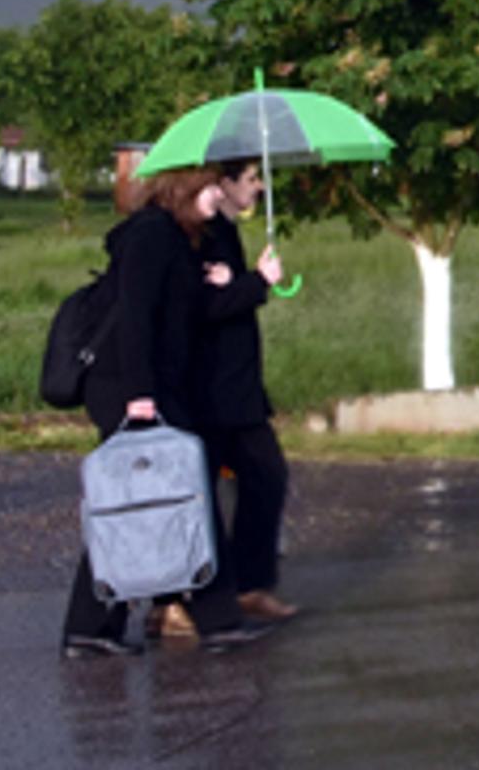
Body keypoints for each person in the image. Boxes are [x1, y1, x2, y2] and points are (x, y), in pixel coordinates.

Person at [61, 167, 264, 657]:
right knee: (180, 491)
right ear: (187, 189)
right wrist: (139, 393)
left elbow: (189, 314)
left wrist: (238, 282)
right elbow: (136, 316)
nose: (221, 197)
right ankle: (216, 621)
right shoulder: (151, 235)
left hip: (153, 383)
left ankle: (93, 627)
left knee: (153, 495)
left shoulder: (178, 239)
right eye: (213, 186)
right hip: (128, 384)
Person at [193, 159, 300, 625]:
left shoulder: (227, 233)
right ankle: (197, 594)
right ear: (225, 183)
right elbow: (209, 306)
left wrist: (246, 281)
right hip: (213, 390)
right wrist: (258, 282)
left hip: (238, 389)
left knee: (264, 477)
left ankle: (248, 584)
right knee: (214, 488)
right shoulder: (206, 235)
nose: (258, 188)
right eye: (251, 180)